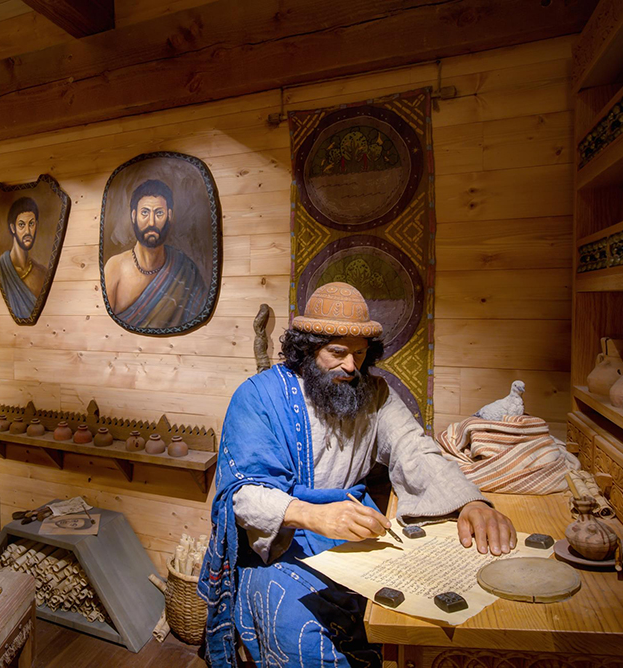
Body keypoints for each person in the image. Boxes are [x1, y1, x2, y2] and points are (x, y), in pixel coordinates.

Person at [198, 282, 516, 668]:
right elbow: (241, 495)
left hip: (352, 536)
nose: (351, 366)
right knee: (294, 630)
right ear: (306, 348)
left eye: (360, 355)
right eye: (338, 353)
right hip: (278, 546)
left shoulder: (374, 394)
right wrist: (314, 514)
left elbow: (413, 448)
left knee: (410, 612)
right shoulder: (258, 397)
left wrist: (470, 501)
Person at [103, 179, 205, 328]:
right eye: (144, 213)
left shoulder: (186, 270)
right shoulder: (115, 267)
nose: (151, 222)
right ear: (133, 215)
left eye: (159, 213)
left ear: (169, 215)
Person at [0, 197, 47, 319]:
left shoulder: (42, 274)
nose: (27, 231)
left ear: (36, 225)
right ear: (13, 228)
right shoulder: (0, 270)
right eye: (21, 225)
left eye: (31, 224)